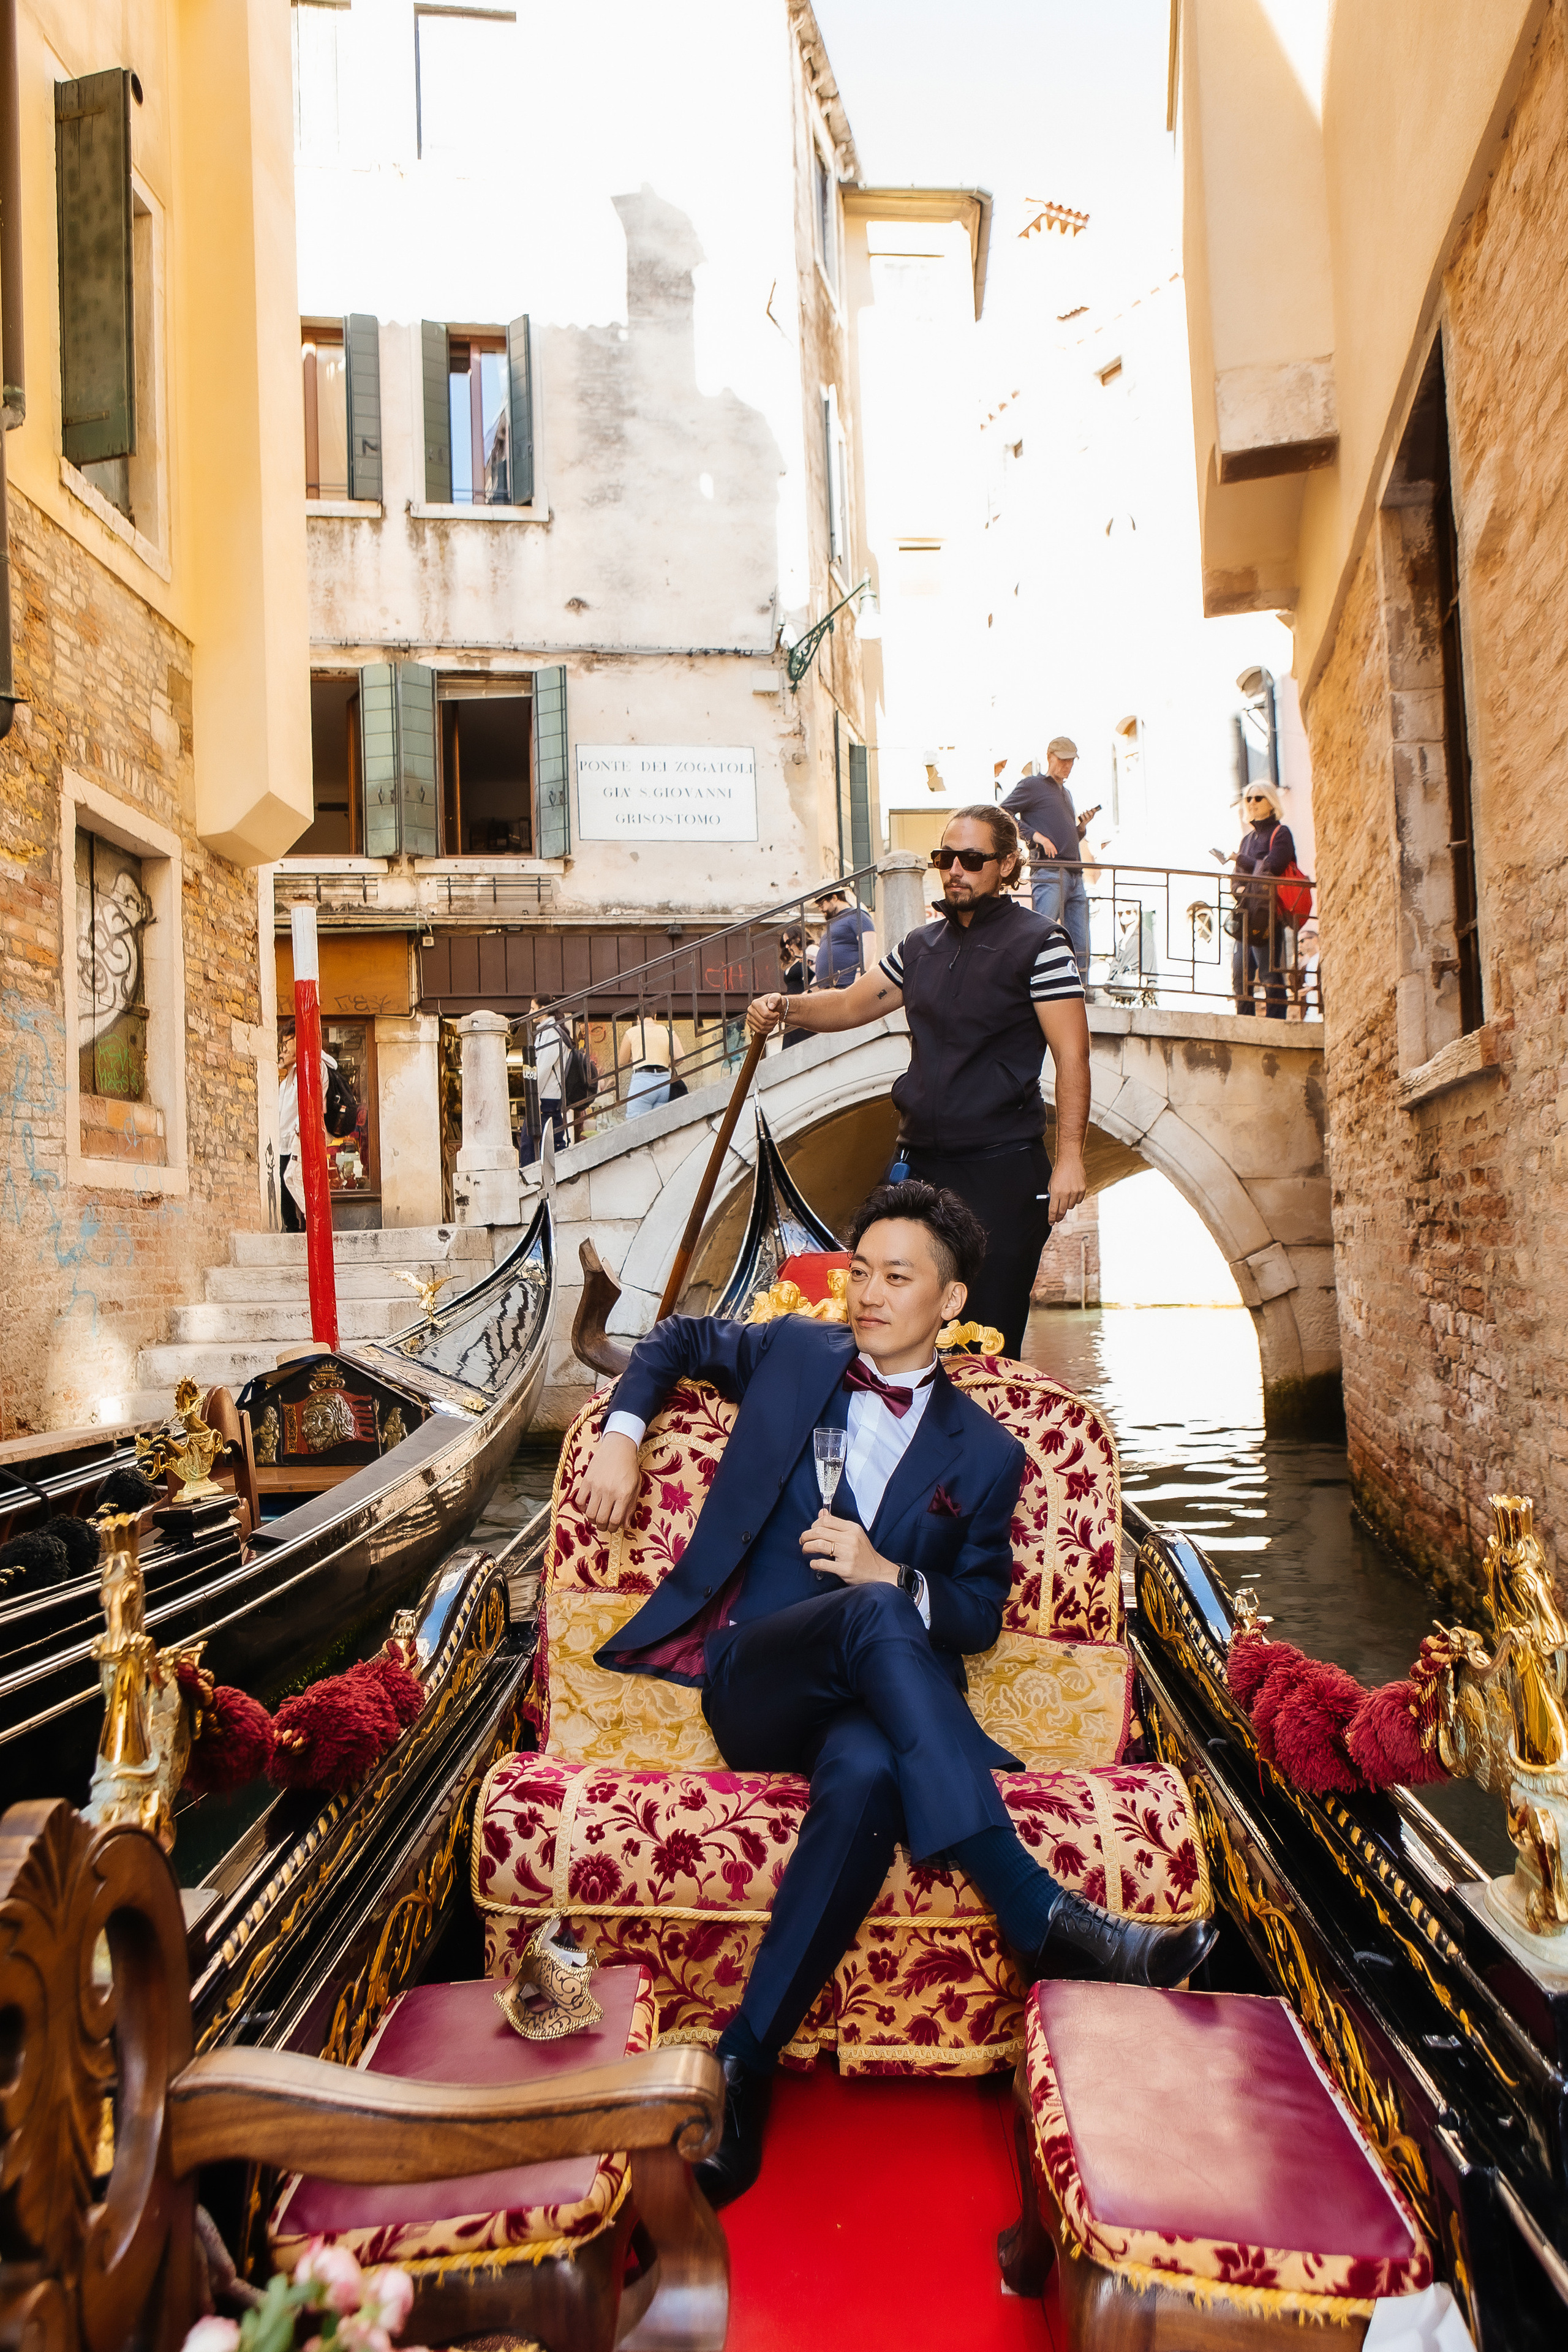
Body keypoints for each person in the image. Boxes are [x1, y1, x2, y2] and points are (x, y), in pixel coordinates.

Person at [575, 1182, 1217, 2206]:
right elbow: (672, 1342)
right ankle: (1034, 1906)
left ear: (951, 1300)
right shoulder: (794, 1355)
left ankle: (746, 2060)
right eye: (860, 1272)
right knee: (876, 1615)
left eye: (895, 1277)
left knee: (872, 1764)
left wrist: (893, 1574)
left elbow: (973, 1613)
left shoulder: (989, 1456)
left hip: (870, 1718)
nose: (867, 1293)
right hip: (757, 1679)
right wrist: (620, 1430)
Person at [746, 804, 1090, 1359]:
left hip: (1001, 1169)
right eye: (945, 858)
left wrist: (1071, 1154)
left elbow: (1073, 1056)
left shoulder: (1040, 943)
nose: (956, 870)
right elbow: (850, 1004)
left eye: (972, 859)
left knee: (987, 1340)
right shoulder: (920, 947)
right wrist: (785, 1007)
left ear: (1005, 866)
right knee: (889, 1324)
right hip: (919, 1168)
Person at [1001, 738, 1100, 984]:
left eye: (1071, 761)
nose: (1068, 766)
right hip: (1049, 871)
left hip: (1074, 873)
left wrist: (1082, 828)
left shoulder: (1066, 793)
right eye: (1064, 760)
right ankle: (1026, 985)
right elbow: (1002, 812)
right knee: (1040, 933)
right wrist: (1035, 836)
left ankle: (1082, 992)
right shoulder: (1033, 785)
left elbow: (1069, 838)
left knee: (1080, 941)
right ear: (1050, 757)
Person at [1231, 782, 1295, 1019]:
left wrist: (1246, 863)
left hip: (1268, 912)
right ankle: (1244, 1021)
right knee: (1240, 974)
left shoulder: (1281, 834)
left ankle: (1276, 1021)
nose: (1252, 803)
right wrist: (1241, 886)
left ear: (1271, 802)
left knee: (1269, 973)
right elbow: (1236, 879)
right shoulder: (1247, 840)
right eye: (1248, 799)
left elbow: (1273, 866)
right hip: (1247, 912)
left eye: (1258, 798)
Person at [277, 1030, 339, 1232]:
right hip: (287, 1138)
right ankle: (299, 1226)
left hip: (301, 1135)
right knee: (288, 1180)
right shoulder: (289, 1077)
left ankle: (314, 1223)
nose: (283, 1048)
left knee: (293, 1178)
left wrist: (300, 1126)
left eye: (287, 1042)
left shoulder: (314, 1064)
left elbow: (314, 1100)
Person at [519, 999, 569, 1166]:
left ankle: (530, 1186)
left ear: (543, 1009)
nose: (530, 1011)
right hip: (549, 1097)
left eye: (533, 1008)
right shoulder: (548, 1031)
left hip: (545, 1098)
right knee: (550, 1143)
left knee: (531, 1146)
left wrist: (534, 1096)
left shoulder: (551, 1033)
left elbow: (543, 1068)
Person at [810, 884, 875, 990]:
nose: (821, 909)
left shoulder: (856, 915)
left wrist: (860, 975)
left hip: (847, 985)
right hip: (828, 989)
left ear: (834, 898)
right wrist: (810, 990)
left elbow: (869, 945)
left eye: (822, 904)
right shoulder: (832, 924)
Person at [619, 1011, 676, 1117]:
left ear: (637, 1017)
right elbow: (680, 1058)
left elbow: (622, 1061)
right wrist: (663, 1063)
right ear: (655, 1016)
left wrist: (637, 1060)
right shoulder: (668, 1031)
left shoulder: (632, 1032)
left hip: (643, 1082)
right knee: (663, 1125)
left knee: (636, 1124)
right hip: (665, 1082)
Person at [778, 923, 811, 1049]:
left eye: (788, 942)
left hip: (803, 1001)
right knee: (791, 1039)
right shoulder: (793, 962)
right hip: (790, 1005)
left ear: (798, 938)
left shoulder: (809, 954)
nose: (786, 947)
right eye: (784, 944)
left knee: (802, 1037)